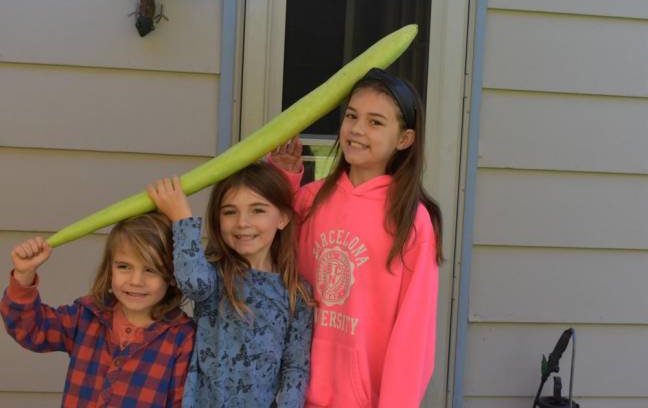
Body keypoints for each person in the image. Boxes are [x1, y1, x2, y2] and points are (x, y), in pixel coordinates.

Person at [270, 67, 443, 407]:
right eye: (352, 116)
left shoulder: (412, 222)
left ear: (404, 139)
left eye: (375, 122)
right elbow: (267, 259)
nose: (357, 129)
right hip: (294, 393)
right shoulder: (309, 200)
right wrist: (284, 181)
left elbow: (414, 335)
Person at [147, 161, 314, 408]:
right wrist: (181, 216)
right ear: (217, 220)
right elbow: (191, 282)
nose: (242, 222)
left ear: (282, 218)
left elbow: (295, 366)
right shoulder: (215, 274)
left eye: (257, 210)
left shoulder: (296, 291)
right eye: (229, 212)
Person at [0, 213, 195, 407]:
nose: (136, 281)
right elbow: (30, 329)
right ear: (110, 268)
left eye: (151, 270)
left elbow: (181, 401)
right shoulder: (86, 315)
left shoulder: (182, 337)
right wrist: (24, 275)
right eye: (124, 266)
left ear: (172, 275)